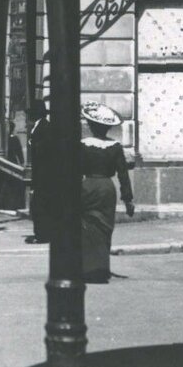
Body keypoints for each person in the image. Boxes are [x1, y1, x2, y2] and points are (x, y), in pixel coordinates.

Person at [79, 103, 135, 282]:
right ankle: (102, 268)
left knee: (87, 225)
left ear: (91, 125)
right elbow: (123, 174)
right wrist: (128, 199)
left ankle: (88, 268)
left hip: (88, 186)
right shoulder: (115, 146)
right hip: (106, 188)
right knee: (105, 227)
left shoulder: (83, 145)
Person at [24, 101, 53, 244]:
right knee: (39, 205)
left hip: (44, 175)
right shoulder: (38, 127)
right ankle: (41, 233)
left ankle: (42, 235)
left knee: (40, 206)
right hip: (41, 174)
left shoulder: (44, 128)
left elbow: (43, 153)